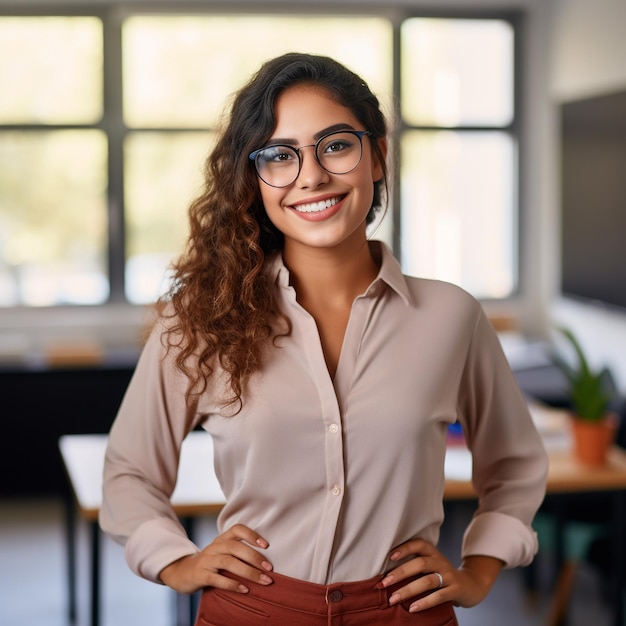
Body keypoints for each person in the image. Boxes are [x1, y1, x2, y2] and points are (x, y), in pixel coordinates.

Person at [100, 52, 548, 625]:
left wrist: (480, 569)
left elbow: (514, 465)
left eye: (335, 145)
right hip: (251, 610)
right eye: (280, 156)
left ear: (378, 155)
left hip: (404, 614)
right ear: (252, 180)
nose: (310, 176)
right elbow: (129, 472)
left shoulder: (451, 316)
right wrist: (175, 563)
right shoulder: (198, 320)